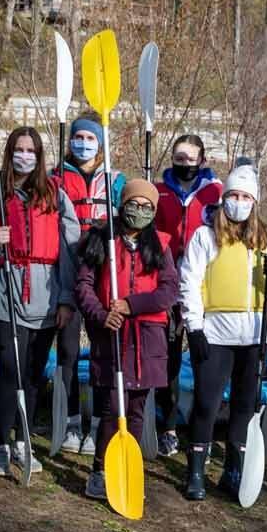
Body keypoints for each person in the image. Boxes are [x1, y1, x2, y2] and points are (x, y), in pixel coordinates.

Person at [179, 164, 267, 500]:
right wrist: (194, 328)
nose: (238, 202)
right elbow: (189, 282)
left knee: (244, 405)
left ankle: (233, 468)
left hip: (255, 337)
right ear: (224, 198)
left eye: (245, 197)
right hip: (214, 335)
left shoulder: (266, 239)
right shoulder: (205, 235)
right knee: (207, 404)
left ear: (254, 202)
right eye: (233, 196)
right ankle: (196, 470)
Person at [0, 126, 80, 477]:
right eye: (19, 149)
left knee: (34, 373)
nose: (24, 155)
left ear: (39, 156)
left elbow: (70, 251)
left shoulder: (56, 194)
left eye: (31, 150)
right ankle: (0, 445)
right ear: (9, 152)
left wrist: (67, 298)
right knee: (12, 369)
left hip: (48, 295)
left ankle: (23, 441)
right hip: (6, 292)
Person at [75, 179, 181, 500]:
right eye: (135, 203)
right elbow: (83, 286)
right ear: (123, 204)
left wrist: (132, 304)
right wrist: (101, 314)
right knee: (111, 406)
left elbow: (168, 291)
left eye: (148, 206)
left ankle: (126, 466)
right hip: (112, 335)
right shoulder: (100, 239)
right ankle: (100, 469)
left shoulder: (160, 245)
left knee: (135, 408)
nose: (140, 210)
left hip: (147, 338)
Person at [51, 115, 127, 455]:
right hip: (66, 269)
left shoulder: (115, 180)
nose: (82, 143)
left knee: (101, 353)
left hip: (100, 273)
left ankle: (97, 425)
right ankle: (68, 423)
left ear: (101, 143)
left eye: (90, 138)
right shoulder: (55, 177)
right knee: (67, 350)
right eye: (78, 137)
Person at [152, 133, 221, 458]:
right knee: (169, 360)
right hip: (167, 285)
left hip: (204, 288)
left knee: (205, 359)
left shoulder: (215, 193)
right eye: (179, 157)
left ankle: (200, 433)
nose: (184, 163)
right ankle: (167, 425)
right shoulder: (160, 190)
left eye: (190, 158)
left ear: (201, 160)